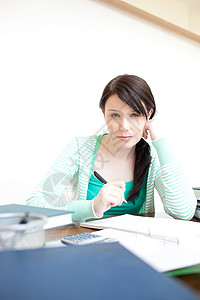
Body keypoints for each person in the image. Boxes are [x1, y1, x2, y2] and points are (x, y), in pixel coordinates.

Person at [26, 74, 197, 222]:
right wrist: (92, 206)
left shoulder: (154, 157)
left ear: (149, 115)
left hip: (137, 248)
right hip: (86, 244)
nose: (124, 126)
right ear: (104, 115)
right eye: (115, 115)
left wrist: (160, 140)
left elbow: (183, 212)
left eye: (135, 115)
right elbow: (36, 205)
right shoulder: (80, 148)